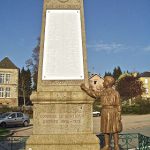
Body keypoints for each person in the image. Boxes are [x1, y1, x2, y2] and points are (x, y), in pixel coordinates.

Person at [81, 76, 122, 150]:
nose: (103, 82)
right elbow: (94, 94)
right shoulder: (102, 92)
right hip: (104, 112)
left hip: (113, 112)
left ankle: (116, 145)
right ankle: (106, 145)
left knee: (115, 130)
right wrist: (85, 89)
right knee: (105, 129)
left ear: (108, 83)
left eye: (104, 81)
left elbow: (118, 104)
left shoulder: (116, 93)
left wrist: (119, 115)